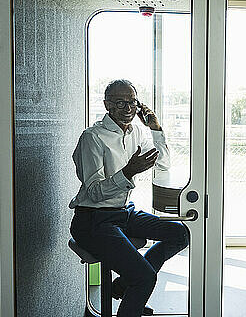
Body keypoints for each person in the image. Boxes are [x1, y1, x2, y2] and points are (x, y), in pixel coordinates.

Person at [69, 79, 189, 317]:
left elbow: (163, 164)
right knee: (144, 278)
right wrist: (128, 172)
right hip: (92, 219)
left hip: (123, 212)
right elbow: (93, 191)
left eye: (132, 102)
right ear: (107, 105)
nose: (127, 108)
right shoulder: (92, 137)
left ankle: (124, 286)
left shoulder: (137, 133)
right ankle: (133, 286)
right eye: (120, 103)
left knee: (181, 233)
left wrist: (155, 129)